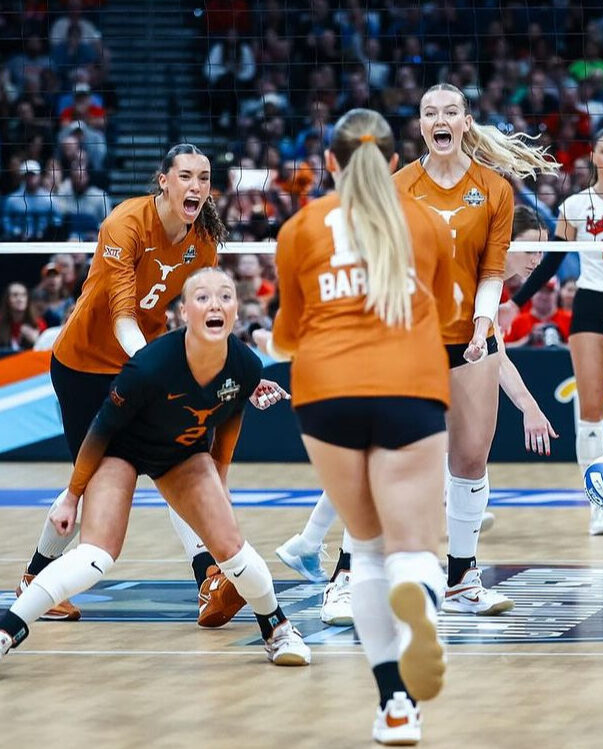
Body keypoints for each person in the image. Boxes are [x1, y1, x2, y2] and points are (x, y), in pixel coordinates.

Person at [279, 84, 559, 624]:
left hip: (471, 335)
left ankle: (461, 577)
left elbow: (492, 270)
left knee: (471, 458)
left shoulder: (494, 190)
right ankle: (345, 576)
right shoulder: (399, 184)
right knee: (383, 456)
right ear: (421, 127)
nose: (440, 119)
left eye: (450, 111)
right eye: (430, 112)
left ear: (465, 121)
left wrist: (483, 322)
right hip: (412, 334)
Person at [10, 144, 277, 628]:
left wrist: (237, 371)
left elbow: (204, 321)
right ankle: (36, 578)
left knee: (176, 458)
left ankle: (209, 579)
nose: (196, 187)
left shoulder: (203, 243)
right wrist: (158, 368)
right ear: (163, 181)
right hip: (85, 365)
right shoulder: (125, 224)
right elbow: (122, 317)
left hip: (147, 363)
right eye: (186, 177)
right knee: (91, 480)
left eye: (204, 178)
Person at [260, 108, 455, 745]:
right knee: (415, 547)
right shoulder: (425, 219)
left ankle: (394, 705)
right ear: (396, 162)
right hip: (409, 384)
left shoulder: (300, 227)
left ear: (332, 165)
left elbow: (287, 334)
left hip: (325, 393)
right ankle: (419, 603)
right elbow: (446, 308)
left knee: (365, 549)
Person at [0, 268, 310, 668]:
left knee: (232, 549)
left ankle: (277, 627)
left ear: (236, 310)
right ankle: (8, 628)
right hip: (120, 449)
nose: (215, 303)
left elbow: (230, 419)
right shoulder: (150, 367)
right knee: (96, 554)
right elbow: (100, 430)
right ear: (183, 312)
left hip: (181, 454)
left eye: (225, 296)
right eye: (202, 297)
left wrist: (220, 478)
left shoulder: (246, 365)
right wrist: (72, 497)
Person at [500, 128, 603, 536]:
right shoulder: (575, 205)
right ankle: (600, 506)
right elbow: (553, 262)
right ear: (594, 157)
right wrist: (516, 302)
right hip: (589, 305)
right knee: (590, 411)